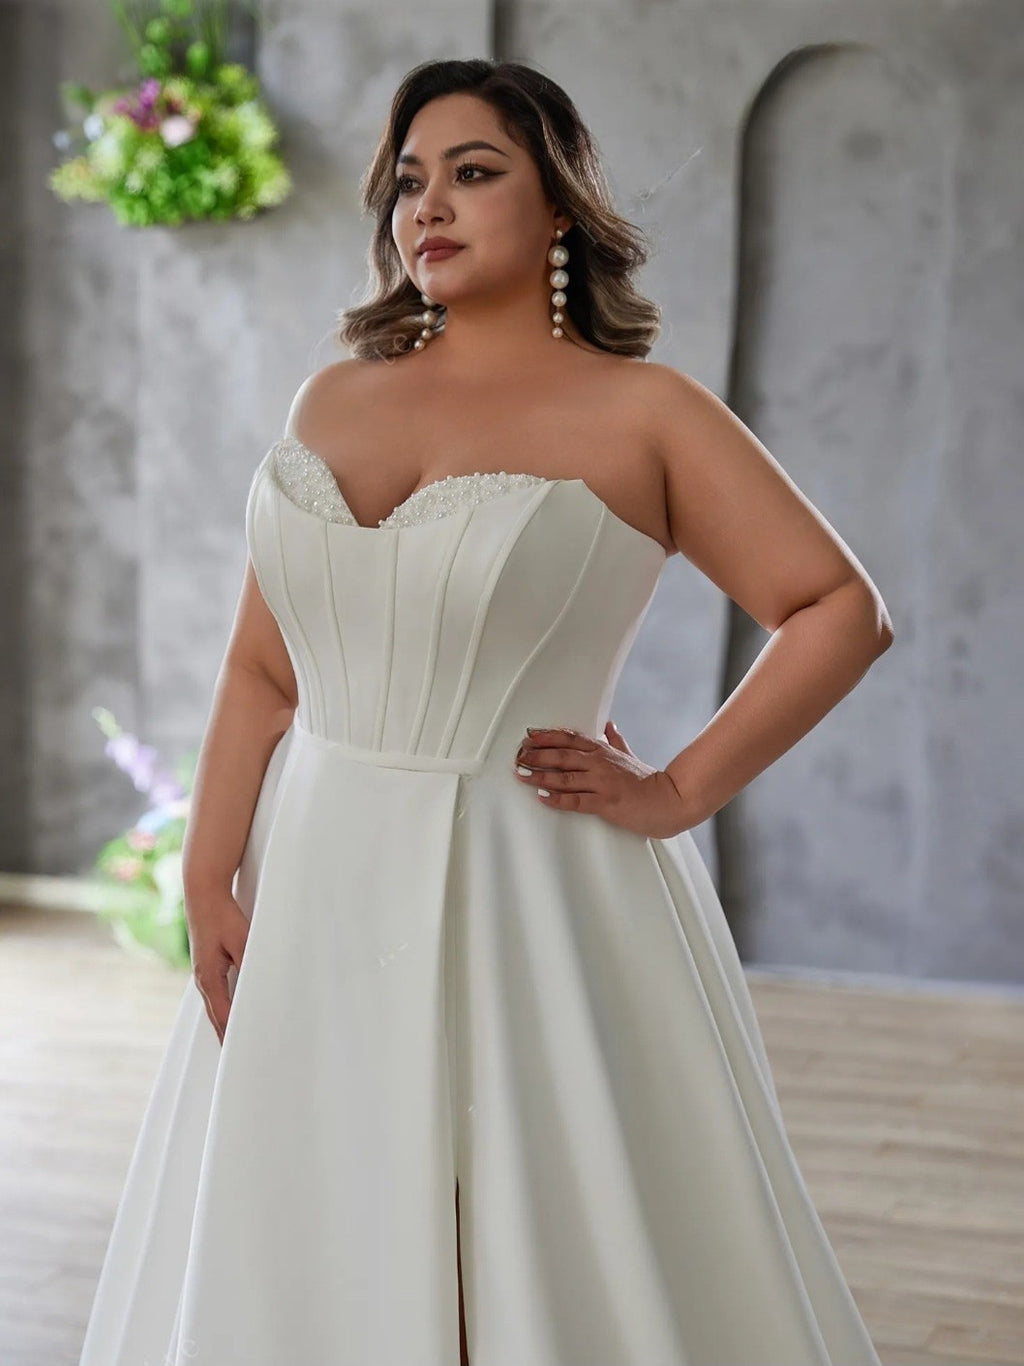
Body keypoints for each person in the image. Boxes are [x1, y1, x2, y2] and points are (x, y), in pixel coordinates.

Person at [78, 57, 893, 1366]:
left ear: (561, 203)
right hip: (321, 873)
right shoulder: (333, 397)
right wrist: (207, 866)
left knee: (519, 1246)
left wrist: (679, 788)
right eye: (409, 180)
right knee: (317, 1220)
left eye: (474, 172)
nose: (428, 207)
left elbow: (836, 608)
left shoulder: (645, 414)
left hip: (529, 885)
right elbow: (264, 670)